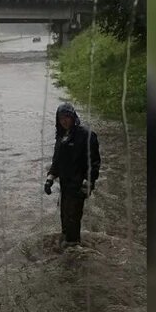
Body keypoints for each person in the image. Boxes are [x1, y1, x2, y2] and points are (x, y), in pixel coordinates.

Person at [44, 103, 101, 248]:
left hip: (79, 185)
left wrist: (88, 182)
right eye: (61, 118)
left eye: (67, 117)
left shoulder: (87, 135)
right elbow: (56, 162)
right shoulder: (61, 136)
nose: (64, 121)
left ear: (73, 117)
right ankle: (68, 249)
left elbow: (94, 162)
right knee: (65, 218)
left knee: (73, 219)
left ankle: (74, 253)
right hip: (65, 185)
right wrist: (50, 178)